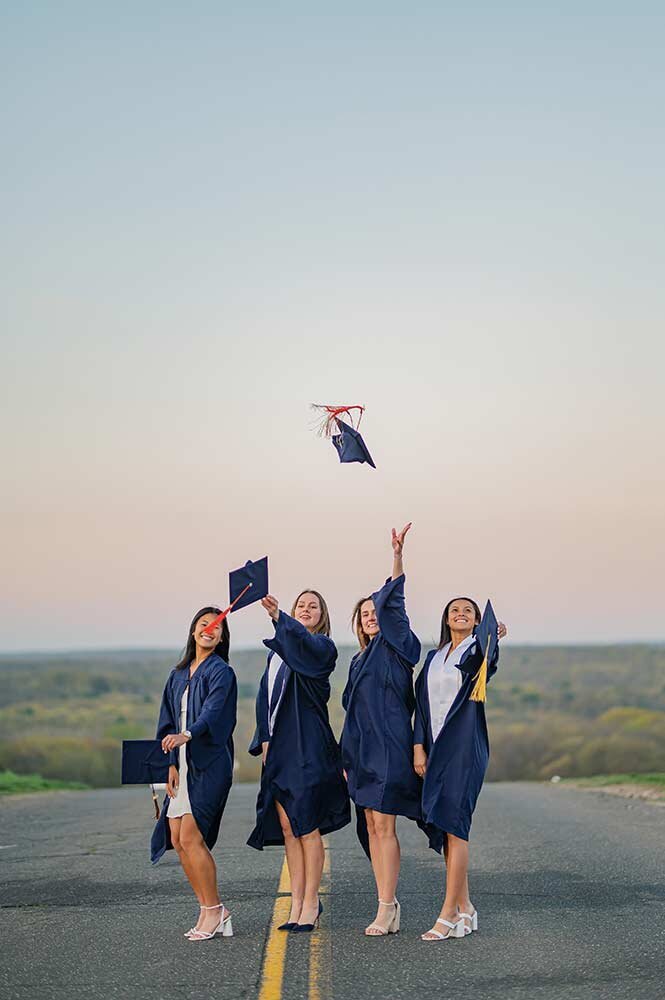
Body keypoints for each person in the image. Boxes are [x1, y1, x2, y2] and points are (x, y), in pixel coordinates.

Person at [248, 589, 350, 933]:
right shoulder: (277, 654)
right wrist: (263, 737)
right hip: (278, 751)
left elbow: (304, 650)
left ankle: (310, 903)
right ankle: (296, 902)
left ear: (322, 617)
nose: (306, 609)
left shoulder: (322, 648)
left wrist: (281, 619)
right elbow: (265, 698)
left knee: (308, 828)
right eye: (301, 605)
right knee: (290, 828)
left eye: (313, 607)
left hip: (307, 749)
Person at [340, 524, 422, 936]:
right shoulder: (357, 661)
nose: (372, 617)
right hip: (361, 752)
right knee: (370, 825)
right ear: (358, 622)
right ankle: (386, 903)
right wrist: (346, 760)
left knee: (385, 825)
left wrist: (396, 557)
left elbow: (397, 605)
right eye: (366, 614)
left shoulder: (399, 646)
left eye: (377, 612)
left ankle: (387, 907)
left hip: (390, 747)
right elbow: (350, 715)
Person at [414, 597, 506, 941]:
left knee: (456, 826)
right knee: (444, 826)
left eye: (469, 610)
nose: (461, 614)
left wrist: (490, 639)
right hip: (435, 751)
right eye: (455, 610)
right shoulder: (434, 657)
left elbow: (485, 662)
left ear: (477, 620)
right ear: (446, 619)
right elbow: (422, 707)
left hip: (464, 749)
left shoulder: (475, 652)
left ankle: (448, 913)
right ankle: (466, 907)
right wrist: (418, 747)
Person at [151, 607, 237, 941]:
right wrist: (170, 762)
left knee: (191, 837)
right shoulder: (177, 675)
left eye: (217, 626)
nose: (211, 629)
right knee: (176, 839)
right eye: (205, 624)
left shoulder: (221, 672)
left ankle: (214, 910)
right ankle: (208, 909)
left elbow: (215, 713)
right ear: (193, 632)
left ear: (221, 637)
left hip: (209, 763)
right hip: (182, 765)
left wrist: (189, 735)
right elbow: (167, 721)